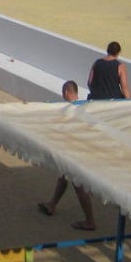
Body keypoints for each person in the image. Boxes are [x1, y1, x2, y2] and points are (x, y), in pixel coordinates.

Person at [37, 80, 97, 231]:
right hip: (79, 150)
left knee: (78, 186)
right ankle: (52, 204)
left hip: (75, 152)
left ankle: (90, 221)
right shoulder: (84, 107)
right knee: (63, 177)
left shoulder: (70, 110)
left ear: (66, 92)